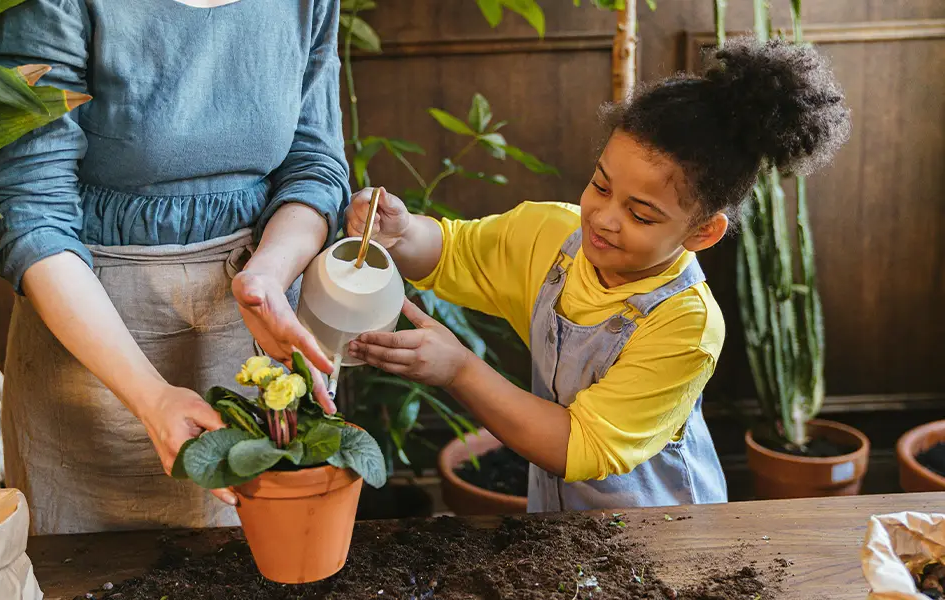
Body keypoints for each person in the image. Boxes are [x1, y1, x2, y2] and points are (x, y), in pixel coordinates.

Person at [345, 38, 850, 511]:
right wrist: (402, 232)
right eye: (601, 186)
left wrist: (459, 369)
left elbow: (580, 444)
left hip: (665, 535)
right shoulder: (551, 234)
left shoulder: (686, 326)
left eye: (642, 214)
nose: (605, 218)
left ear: (702, 232)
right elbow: (453, 252)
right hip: (561, 521)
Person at [0, 0, 349, 534]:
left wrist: (269, 276)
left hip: (258, 331)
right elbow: (33, 212)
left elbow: (315, 163)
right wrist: (151, 396)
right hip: (97, 343)